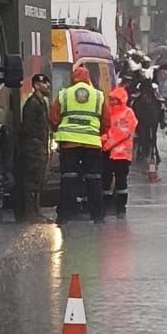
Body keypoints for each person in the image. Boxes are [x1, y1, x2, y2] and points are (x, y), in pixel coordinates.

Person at [50, 66, 106, 224]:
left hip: (69, 144)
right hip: (92, 144)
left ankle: (65, 215)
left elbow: (53, 118)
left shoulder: (64, 94)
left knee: (68, 179)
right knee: (94, 179)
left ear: (73, 78)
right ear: (88, 78)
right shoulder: (98, 96)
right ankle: (98, 215)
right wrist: (95, 133)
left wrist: (60, 130)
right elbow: (106, 121)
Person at [16, 74, 53, 222]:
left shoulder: (41, 102)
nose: (47, 86)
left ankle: (36, 212)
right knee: (32, 181)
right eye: (44, 83)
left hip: (40, 147)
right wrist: (35, 144)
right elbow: (28, 128)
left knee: (39, 181)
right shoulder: (33, 104)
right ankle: (31, 213)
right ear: (37, 85)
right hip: (33, 149)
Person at [101, 84, 137, 218]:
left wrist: (107, 143)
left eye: (114, 99)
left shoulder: (128, 113)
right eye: (110, 99)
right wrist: (102, 140)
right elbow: (104, 129)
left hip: (121, 154)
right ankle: (105, 206)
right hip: (107, 153)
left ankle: (121, 208)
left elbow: (124, 132)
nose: (111, 102)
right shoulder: (107, 113)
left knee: (121, 181)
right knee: (105, 180)